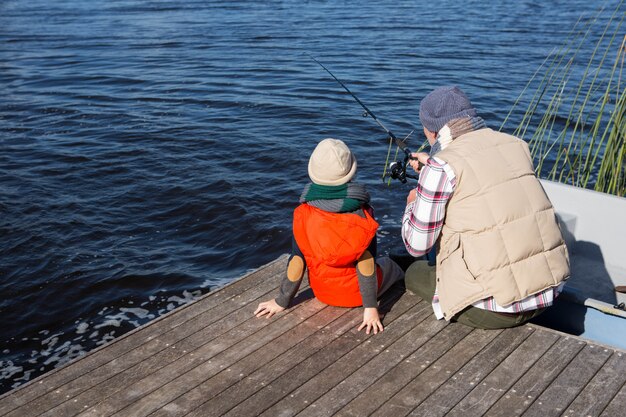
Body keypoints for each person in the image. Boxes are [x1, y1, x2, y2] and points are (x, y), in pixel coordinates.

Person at [401, 86, 570, 329]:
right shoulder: (516, 144)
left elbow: (417, 246)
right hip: (548, 294)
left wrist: (412, 204)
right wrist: (431, 161)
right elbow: (478, 169)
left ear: (432, 131)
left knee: (412, 272)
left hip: (497, 309)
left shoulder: (439, 168)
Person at [254, 138, 404, 334]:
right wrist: (370, 309)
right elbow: (366, 262)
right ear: (352, 171)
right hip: (357, 296)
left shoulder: (302, 212)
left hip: (323, 292)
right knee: (392, 264)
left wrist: (281, 301)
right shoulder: (362, 213)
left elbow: (297, 261)